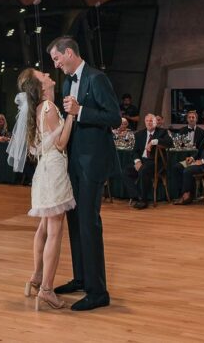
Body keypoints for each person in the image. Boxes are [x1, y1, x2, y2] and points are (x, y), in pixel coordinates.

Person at [47, 36, 120, 312]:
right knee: (75, 222)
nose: (56, 64)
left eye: (57, 58)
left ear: (68, 53)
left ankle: (98, 291)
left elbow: (114, 117)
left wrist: (81, 111)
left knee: (89, 223)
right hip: (73, 164)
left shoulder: (97, 78)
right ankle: (81, 278)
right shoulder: (67, 83)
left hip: (93, 164)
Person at [16, 67, 77, 311]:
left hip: (44, 171)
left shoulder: (38, 110)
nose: (47, 74)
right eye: (41, 74)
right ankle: (47, 290)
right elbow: (61, 143)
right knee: (54, 229)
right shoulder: (49, 108)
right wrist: (72, 115)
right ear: (39, 86)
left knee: (43, 226)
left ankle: (37, 276)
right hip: (54, 169)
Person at [173, 111, 204, 206]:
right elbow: (200, 150)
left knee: (188, 170)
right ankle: (187, 193)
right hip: (200, 162)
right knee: (178, 167)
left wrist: (202, 161)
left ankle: (187, 196)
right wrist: (192, 158)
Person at [127, 113, 172, 209]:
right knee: (125, 172)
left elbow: (170, 143)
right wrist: (137, 161)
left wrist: (153, 141)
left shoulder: (162, 132)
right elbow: (135, 151)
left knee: (144, 170)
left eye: (151, 121)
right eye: (147, 121)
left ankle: (143, 200)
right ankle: (136, 196)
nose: (149, 123)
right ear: (144, 122)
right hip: (142, 160)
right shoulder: (139, 134)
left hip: (155, 162)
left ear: (156, 122)